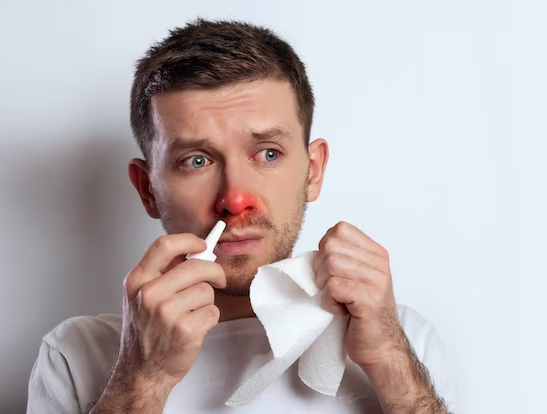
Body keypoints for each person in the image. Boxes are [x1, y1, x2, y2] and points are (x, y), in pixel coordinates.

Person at [26, 19, 455, 414]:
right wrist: (144, 379)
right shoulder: (75, 355)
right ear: (147, 189)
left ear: (314, 171)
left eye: (267, 153)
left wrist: (390, 363)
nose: (235, 200)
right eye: (196, 161)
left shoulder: (401, 340)